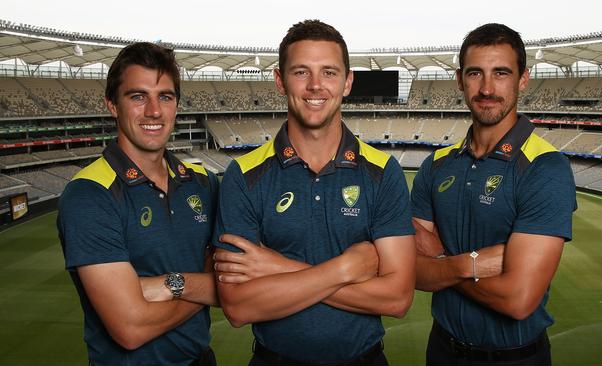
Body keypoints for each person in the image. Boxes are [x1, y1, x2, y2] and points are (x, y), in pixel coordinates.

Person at [213, 19, 416, 366]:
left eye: (329, 72)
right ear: (280, 80)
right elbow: (238, 306)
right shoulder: (242, 176)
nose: (316, 86)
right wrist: (347, 268)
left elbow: (396, 298)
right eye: (301, 72)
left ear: (348, 82)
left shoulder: (384, 172)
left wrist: (278, 268)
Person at [411, 23, 576, 366]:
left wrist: (442, 261)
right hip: (441, 351)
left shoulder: (546, 167)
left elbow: (518, 299)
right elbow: (410, 269)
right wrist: (473, 264)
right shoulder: (436, 166)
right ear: (460, 79)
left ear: (523, 79)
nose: (487, 88)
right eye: (475, 73)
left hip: (516, 358)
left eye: (501, 73)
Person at [58, 42, 219, 366]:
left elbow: (234, 284)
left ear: (176, 105)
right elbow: (130, 327)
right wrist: (206, 288)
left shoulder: (203, 182)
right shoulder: (89, 194)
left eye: (165, 97)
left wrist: (168, 285)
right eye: (137, 96)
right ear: (113, 105)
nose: (154, 111)